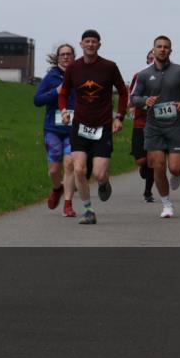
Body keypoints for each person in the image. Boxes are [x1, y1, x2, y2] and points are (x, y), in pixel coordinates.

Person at [57, 29, 129, 225]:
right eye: (87, 41)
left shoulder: (109, 67)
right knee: (79, 169)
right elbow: (63, 93)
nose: (90, 44)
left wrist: (119, 117)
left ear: (99, 45)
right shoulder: (73, 67)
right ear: (81, 44)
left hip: (103, 125)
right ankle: (89, 211)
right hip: (80, 125)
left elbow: (123, 92)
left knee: (99, 173)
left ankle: (104, 182)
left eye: (94, 42)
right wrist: (64, 111)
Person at [130, 36, 180, 218]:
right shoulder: (143, 74)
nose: (162, 50)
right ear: (153, 51)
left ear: (170, 50)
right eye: (159, 47)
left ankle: (178, 173)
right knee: (158, 165)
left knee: (174, 168)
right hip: (154, 127)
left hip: (177, 125)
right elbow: (133, 98)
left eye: (166, 47)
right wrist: (146, 100)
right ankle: (167, 204)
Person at [34, 44, 79, 217]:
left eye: (69, 54)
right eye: (63, 54)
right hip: (53, 129)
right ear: (57, 57)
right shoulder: (51, 77)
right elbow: (37, 100)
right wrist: (56, 91)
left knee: (69, 165)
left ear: (74, 56)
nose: (66, 57)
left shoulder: (79, 75)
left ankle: (68, 204)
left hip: (73, 130)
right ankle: (56, 189)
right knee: (54, 170)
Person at [128, 50, 156, 202]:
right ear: (146, 61)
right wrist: (136, 103)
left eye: (155, 58)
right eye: (150, 59)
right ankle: (143, 168)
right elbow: (131, 97)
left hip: (157, 122)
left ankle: (148, 192)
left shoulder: (166, 77)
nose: (153, 61)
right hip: (140, 121)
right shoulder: (139, 76)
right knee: (141, 160)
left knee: (152, 159)